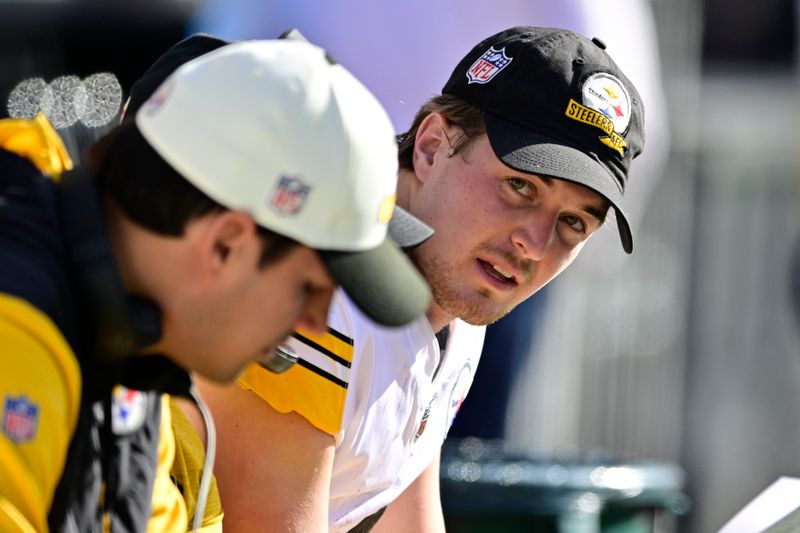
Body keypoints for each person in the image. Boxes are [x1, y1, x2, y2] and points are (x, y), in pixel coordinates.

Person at [169, 26, 645, 532]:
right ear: (431, 146)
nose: (534, 242)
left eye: (574, 223)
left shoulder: (456, 305)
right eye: (519, 185)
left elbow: (409, 520)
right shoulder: (317, 283)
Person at [0, 39, 429, 532]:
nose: (315, 323)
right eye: (309, 288)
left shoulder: (129, 345)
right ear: (226, 244)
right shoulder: (17, 322)